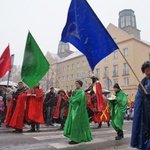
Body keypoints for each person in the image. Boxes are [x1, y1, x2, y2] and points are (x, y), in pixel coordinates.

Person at [64, 80, 92, 144]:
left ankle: (76, 139)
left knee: (76, 123)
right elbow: (73, 99)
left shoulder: (81, 92)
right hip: (74, 110)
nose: (75, 85)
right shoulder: (75, 91)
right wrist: (70, 97)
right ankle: (74, 137)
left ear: (80, 85)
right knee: (73, 123)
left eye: (77, 84)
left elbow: (79, 100)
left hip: (78, 111)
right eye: (75, 83)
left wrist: (71, 99)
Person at [131, 61, 150, 149]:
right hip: (145, 109)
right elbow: (138, 96)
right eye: (146, 69)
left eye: (149, 69)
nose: (148, 71)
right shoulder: (142, 83)